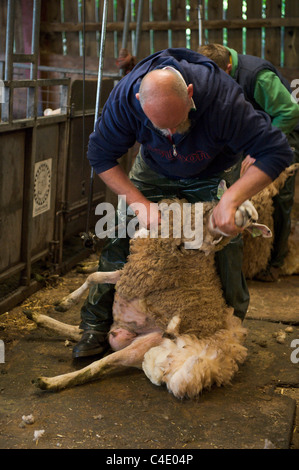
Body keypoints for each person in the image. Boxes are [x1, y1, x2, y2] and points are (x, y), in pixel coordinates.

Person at [73, 48, 293, 359]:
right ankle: (94, 325)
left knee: (224, 245)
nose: (172, 134)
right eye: (161, 128)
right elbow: (99, 156)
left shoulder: (222, 99)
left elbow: (277, 152)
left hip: (212, 170)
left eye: (178, 122)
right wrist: (138, 204)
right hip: (153, 169)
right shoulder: (125, 100)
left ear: (190, 94)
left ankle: (227, 331)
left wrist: (231, 200)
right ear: (139, 102)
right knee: (121, 234)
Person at [198, 43, 299, 282]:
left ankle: (275, 262)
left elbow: (289, 112)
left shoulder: (258, 76)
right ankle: (242, 258)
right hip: (253, 132)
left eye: (217, 77)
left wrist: (262, 146)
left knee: (279, 193)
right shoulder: (213, 72)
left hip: (285, 132)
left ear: (229, 67)